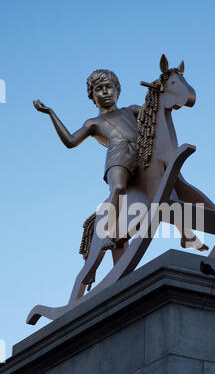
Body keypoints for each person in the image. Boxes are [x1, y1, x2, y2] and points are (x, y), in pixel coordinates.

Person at [33, 69, 140, 251]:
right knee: (119, 187)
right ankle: (106, 231)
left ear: (117, 90)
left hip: (140, 155)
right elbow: (71, 141)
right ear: (92, 96)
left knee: (166, 173)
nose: (105, 92)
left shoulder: (131, 110)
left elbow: (156, 112)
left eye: (109, 87)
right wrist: (51, 113)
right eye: (99, 89)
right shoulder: (93, 124)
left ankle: (184, 228)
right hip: (118, 159)